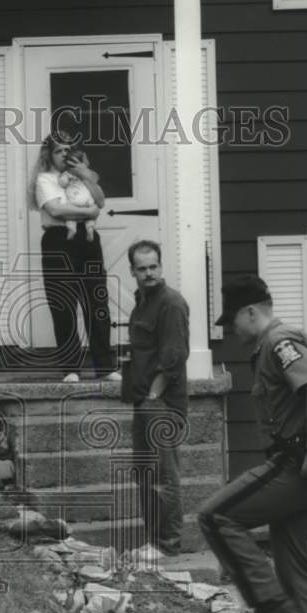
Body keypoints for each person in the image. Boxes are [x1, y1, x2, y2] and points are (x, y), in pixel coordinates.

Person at [197, 275, 307, 613]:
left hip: (302, 467)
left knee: (215, 516)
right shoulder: (271, 347)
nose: (230, 329)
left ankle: (268, 605)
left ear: (251, 312)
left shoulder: (280, 343)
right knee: (295, 574)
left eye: (232, 321)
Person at [28, 132, 120, 383]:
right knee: (63, 304)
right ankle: (71, 368)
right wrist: (88, 211)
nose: (64, 155)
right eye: (59, 151)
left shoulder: (82, 177)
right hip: (59, 242)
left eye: (68, 149)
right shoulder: (44, 179)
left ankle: (105, 366)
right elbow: (56, 210)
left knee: (97, 303)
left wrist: (87, 177)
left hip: (88, 242)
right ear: (49, 155)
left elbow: (99, 201)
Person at [123, 240, 189, 560]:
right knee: (145, 473)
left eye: (153, 266)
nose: (149, 273)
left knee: (164, 476)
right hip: (144, 400)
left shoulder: (171, 303)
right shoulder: (142, 301)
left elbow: (174, 356)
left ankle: (168, 544)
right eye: (142, 268)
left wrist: (153, 394)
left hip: (161, 402)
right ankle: (153, 542)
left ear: (161, 266)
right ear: (132, 271)